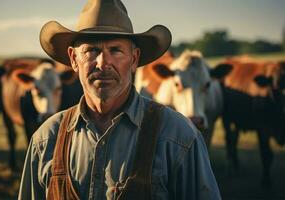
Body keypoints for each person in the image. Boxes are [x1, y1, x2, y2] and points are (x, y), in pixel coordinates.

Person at [18, 0, 221, 199]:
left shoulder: (178, 138)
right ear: (73, 59)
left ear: (134, 60)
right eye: (91, 50)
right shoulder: (45, 140)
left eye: (115, 50)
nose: (103, 63)